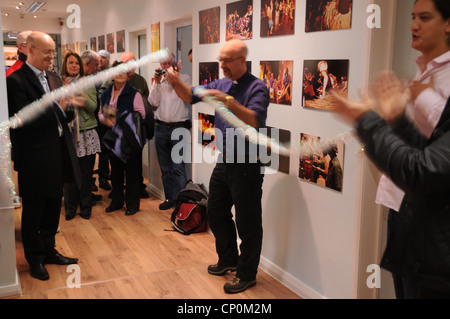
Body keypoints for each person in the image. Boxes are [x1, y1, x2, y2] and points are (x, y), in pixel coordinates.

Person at [333, 70, 450, 299]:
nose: (414, 31)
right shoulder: (424, 71)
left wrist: (366, 120)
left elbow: (421, 171)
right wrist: (398, 122)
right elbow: (431, 157)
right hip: (413, 220)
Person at [166, 39, 270, 294]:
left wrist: (228, 101)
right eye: (220, 59)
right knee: (215, 210)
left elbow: (254, 120)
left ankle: (247, 274)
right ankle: (228, 258)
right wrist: (175, 81)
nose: (222, 65)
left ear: (242, 60)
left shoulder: (257, 88)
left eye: (227, 60)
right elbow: (190, 95)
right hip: (225, 161)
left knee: (248, 223)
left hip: (248, 163)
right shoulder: (221, 82)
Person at [374, 0, 450, 298]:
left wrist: (426, 98)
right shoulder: (421, 73)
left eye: (424, 17)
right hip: (401, 203)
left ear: (448, 23)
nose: (413, 25)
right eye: (412, 17)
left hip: (430, 213)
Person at [6, 31, 81, 281]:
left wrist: (68, 105)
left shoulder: (53, 77)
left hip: (57, 150)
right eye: (47, 51)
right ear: (30, 50)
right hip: (34, 155)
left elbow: (64, 116)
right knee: (34, 210)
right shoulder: (15, 81)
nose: (52, 56)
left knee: (52, 205)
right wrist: (58, 108)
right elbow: (25, 121)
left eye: (52, 51)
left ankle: (49, 250)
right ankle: (35, 259)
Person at [99, 61, 146, 216]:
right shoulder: (106, 93)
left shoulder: (134, 93)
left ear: (128, 76)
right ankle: (117, 201)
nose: (119, 74)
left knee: (132, 172)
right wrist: (105, 120)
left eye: (123, 72)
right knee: (116, 172)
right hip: (112, 138)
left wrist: (119, 119)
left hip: (129, 139)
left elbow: (141, 114)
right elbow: (100, 112)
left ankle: (132, 204)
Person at [148, 52, 192, 210]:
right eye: (162, 64)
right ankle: (170, 199)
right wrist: (158, 83)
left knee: (178, 167)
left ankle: (181, 203)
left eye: (168, 63)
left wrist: (174, 80)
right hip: (160, 128)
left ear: (174, 64)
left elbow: (187, 97)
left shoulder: (185, 78)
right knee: (165, 168)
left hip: (179, 128)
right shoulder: (158, 81)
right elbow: (152, 102)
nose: (165, 67)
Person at [62, 51, 102, 220]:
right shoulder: (58, 83)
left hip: (87, 133)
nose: (73, 66)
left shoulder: (88, 82)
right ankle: (70, 208)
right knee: (69, 175)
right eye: (70, 63)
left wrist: (79, 96)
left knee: (86, 175)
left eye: (77, 63)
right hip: (67, 134)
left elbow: (93, 106)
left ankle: (85, 207)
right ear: (65, 65)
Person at [121, 51, 150, 198]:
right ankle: (120, 191)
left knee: (137, 159)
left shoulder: (141, 81)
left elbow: (147, 101)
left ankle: (138, 187)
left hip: (137, 126)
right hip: (119, 128)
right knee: (121, 161)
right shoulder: (117, 79)